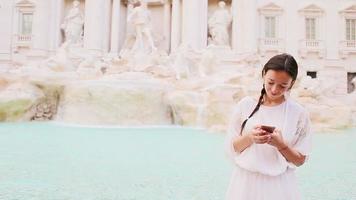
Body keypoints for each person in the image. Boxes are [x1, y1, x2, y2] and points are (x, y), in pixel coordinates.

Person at [225, 53, 312, 200]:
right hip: (245, 183)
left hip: (280, 185)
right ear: (264, 75)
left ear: (292, 83)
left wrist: (281, 145)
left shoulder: (298, 113)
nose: (274, 90)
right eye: (270, 82)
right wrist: (250, 137)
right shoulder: (246, 105)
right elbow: (232, 148)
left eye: (282, 85)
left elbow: (300, 160)